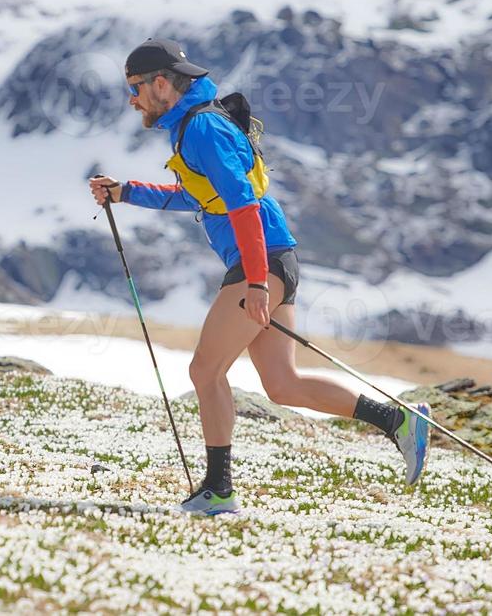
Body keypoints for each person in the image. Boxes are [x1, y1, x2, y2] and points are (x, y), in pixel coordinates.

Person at [89, 38, 431, 515]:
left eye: (134, 87)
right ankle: (399, 421)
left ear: (161, 83)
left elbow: (244, 206)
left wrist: (253, 283)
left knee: (204, 370)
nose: (131, 99)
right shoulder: (193, 125)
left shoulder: (201, 128)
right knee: (283, 384)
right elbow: (202, 197)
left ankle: (218, 490)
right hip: (276, 258)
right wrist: (127, 192)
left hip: (262, 262)